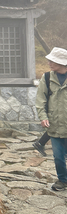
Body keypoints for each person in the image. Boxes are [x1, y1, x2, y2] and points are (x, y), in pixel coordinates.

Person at [35, 47, 67, 191]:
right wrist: (43, 117)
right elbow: (40, 100)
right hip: (54, 125)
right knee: (58, 157)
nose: (49, 63)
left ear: (62, 63)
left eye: (52, 60)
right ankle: (62, 180)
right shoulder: (47, 77)